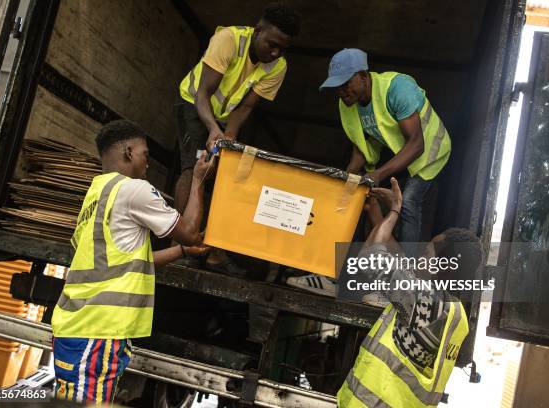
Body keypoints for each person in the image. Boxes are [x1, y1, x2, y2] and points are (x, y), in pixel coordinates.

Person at [50, 120, 213, 404]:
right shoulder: (133, 190)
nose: (148, 164)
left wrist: (182, 254)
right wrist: (198, 181)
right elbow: (188, 232)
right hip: (97, 331)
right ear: (128, 152)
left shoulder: (95, 196)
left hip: (76, 326)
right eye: (145, 155)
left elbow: (129, 262)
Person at [174, 2, 301, 273]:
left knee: (225, 174)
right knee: (193, 169)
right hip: (195, 107)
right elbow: (202, 94)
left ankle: (214, 252)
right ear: (258, 30)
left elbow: (246, 107)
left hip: (222, 120)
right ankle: (182, 246)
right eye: (272, 44)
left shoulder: (278, 66)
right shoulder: (229, 40)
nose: (275, 52)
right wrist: (213, 129)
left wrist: (229, 135)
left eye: (283, 48)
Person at [337, 178, 482, 407]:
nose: (421, 257)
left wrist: (394, 210)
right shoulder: (454, 314)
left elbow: (368, 259)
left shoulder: (424, 302)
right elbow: (403, 265)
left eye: (427, 253)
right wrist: (378, 216)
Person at [319, 48, 452, 247]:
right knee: (360, 200)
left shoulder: (397, 89)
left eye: (345, 84)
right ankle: (349, 266)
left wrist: (379, 174)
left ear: (363, 76)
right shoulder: (347, 103)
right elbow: (360, 146)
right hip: (402, 153)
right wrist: (347, 180)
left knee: (407, 203)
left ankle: (408, 271)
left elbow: (417, 144)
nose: (341, 92)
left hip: (430, 151)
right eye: (336, 88)